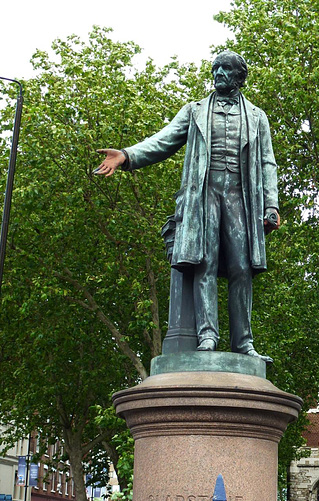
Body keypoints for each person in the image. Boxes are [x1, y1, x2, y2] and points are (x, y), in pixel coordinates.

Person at [95, 51, 279, 362]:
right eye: (216, 68)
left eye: (226, 69)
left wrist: (271, 204)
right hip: (204, 194)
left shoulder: (257, 117)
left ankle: (244, 343)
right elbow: (163, 140)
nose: (219, 73)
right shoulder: (194, 111)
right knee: (204, 263)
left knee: (241, 268)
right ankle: (207, 336)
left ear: (239, 77)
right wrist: (126, 156)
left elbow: (266, 162)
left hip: (240, 196)